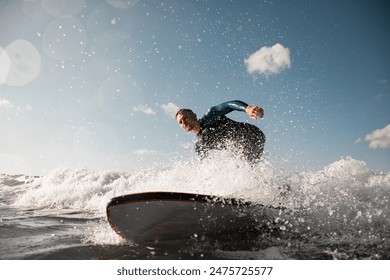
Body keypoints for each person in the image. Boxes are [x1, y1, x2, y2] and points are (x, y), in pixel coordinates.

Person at [175, 100, 265, 163]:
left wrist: (247, 108)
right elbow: (206, 166)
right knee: (241, 168)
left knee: (245, 166)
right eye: (180, 122)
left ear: (194, 115)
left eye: (185, 118)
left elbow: (229, 105)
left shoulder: (210, 116)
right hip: (240, 147)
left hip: (252, 134)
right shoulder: (200, 146)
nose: (184, 123)